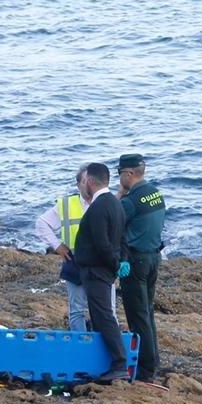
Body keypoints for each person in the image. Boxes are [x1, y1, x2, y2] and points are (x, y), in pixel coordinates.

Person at [72, 161, 129, 382]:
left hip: (97, 270)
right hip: (105, 269)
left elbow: (102, 243)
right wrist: (122, 261)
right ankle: (106, 362)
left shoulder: (98, 207)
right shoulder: (116, 204)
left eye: (84, 180)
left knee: (104, 316)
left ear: (89, 181)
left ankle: (119, 363)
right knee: (100, 316)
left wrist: (116, 263)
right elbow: (123, 238)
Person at [117, 153, 167, 383]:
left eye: (120, 175)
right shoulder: (155, 193)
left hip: (135, 262)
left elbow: (112, 219)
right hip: (154, 258)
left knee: (138, 317)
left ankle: (146, 370)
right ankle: (153, 360)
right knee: (147, 312)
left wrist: (119, 196)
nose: (120, 180)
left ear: (128, 174)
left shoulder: (130, 201)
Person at [35, 164, 94, 331]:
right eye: (84, 181)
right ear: (78, 184)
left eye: (91, 181)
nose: (88, 184)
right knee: (77, 310)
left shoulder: (105, 201)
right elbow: (41, 224)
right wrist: (57, 246)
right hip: (74, 261)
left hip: (100, 262)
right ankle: (79, 345)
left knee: (105, 309)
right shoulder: (68, 204)